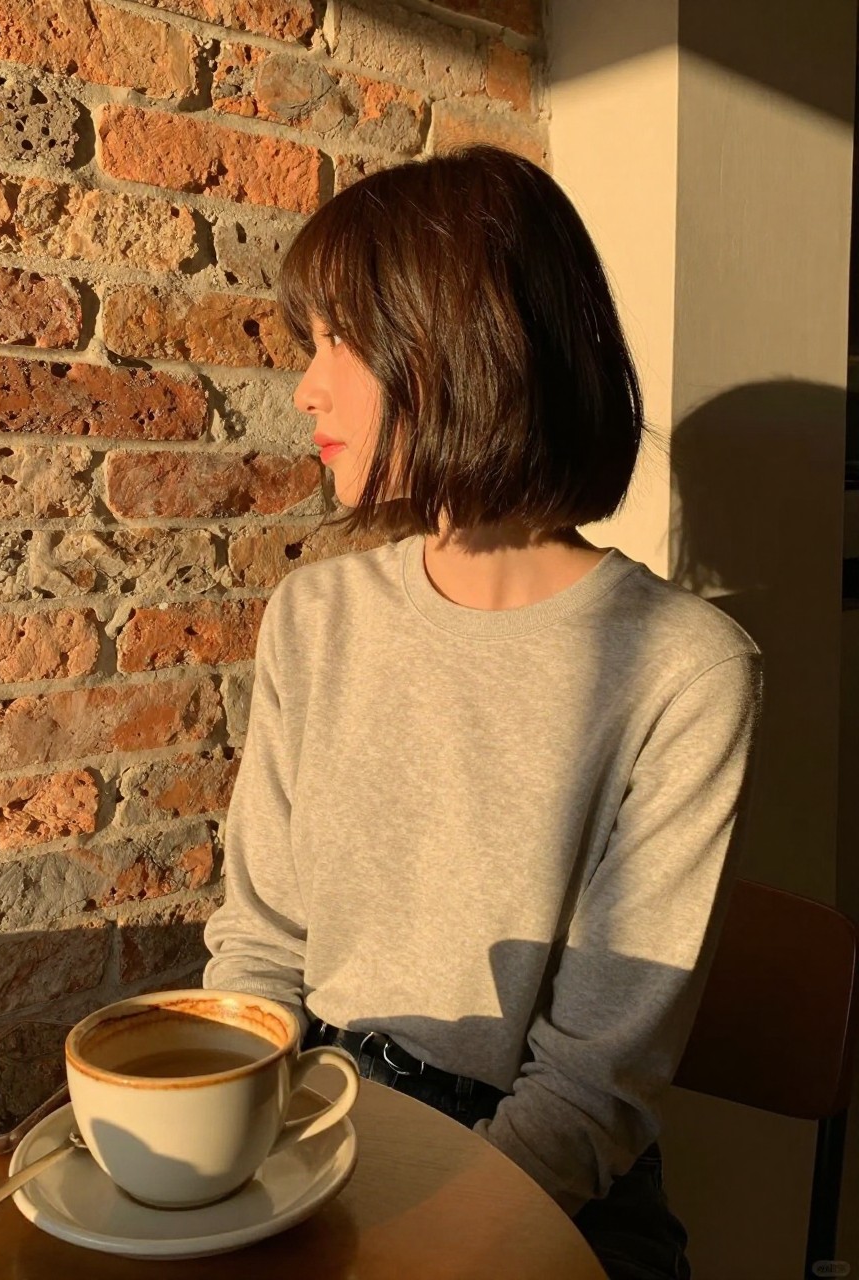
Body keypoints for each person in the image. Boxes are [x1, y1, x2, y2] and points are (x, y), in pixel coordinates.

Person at [202, 144, 763, 1280]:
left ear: (459, 344)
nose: (306, 387)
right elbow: (259, 946)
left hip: (542, 1185)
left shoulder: (688, 671)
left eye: (339, 341)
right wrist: (209, 1152)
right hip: (315, 1131)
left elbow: (592, 1085)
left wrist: (403, 1235)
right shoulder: (317, 614)